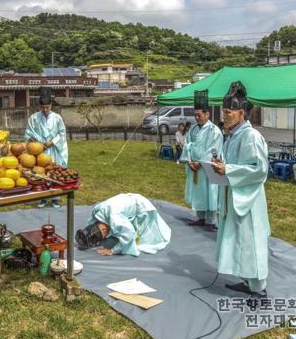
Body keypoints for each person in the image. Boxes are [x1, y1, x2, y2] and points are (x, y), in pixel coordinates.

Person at [212, 81, 270, 299]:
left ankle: (259, 289)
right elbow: (236, 163)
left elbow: (259, 169)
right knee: (240, 241)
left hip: (249, 198)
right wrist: (220, 163)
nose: (224, 116)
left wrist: (228, 168)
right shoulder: (233, 135)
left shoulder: (251, 136)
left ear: (241, 113)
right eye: (223, 112)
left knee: (250, 242)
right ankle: (247, 281)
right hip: (235, 194)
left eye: (228, 112)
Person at [179, 90, 223, 232]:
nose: (197, 118)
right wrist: (190, 161)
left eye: (200, 115)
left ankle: (211, 220)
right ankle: (201, 217)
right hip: (195, 166)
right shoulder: (192, 129)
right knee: (199, 192)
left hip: (207, 167)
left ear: (207, 114)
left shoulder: (214, 131)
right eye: (195, 115)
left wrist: (200, 162)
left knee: (210, 191)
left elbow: (213, 149)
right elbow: (187, 144)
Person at [75, 193, 171, 256]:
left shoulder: (115, 219)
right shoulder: (97, 212)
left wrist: (112, 251)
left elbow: (128, 234)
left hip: (141, 207)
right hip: (128, 200)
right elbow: (92, 224)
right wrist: (92, 238)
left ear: (104, 230)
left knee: (145, 239)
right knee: (120, 229)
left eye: (103, 236)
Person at [25, 87, 68, 208]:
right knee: (41, 173)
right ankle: (42, 198)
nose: (45, 110)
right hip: (39, 151)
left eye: (47, 107)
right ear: (39, 106)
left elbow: (62, 133)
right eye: (42, 107)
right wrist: (37, 143)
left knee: (54, 172)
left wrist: (52, 142)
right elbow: (29, 133)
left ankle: (55, 198)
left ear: (51, 105)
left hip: (53, 149)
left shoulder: (57, 118)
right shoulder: (33, 118)